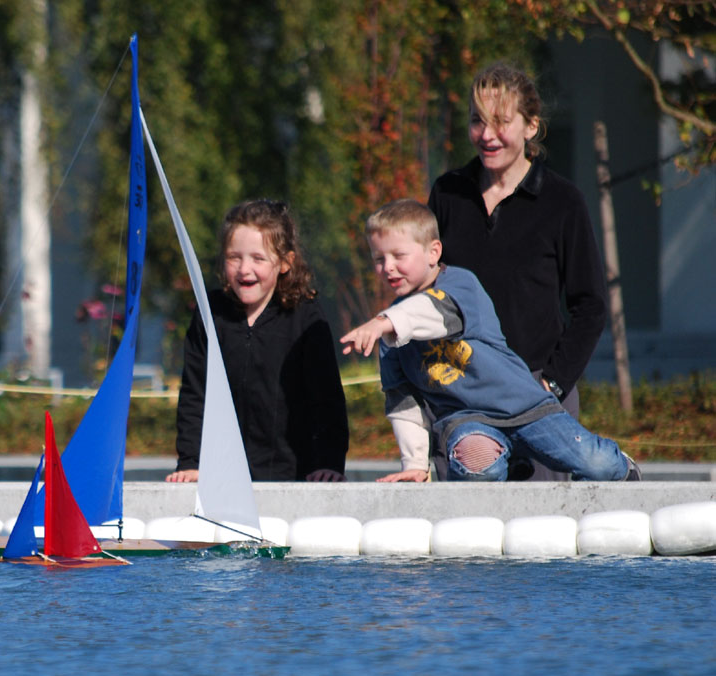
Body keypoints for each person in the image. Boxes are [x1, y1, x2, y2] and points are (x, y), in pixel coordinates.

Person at [340, 199, 637, 483]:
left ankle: (620, 465)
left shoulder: (459, 285)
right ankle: (496, 483)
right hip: (466, 421)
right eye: (379, 259)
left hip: (524, 406)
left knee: (596, 464)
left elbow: (435, 312)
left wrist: (384, 321)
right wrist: (415, 464)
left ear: (433, 253)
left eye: (398, 256)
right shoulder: (391, 331)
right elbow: (403, 403)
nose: (387, 267)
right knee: (476, 467)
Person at [427, 62, 609, 481]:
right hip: (464, 391)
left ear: (531, 126)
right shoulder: (448, 194)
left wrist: (553, 384)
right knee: (472, 532)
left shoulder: (563, 201)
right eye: (477, 121)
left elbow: (590, 306)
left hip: (538, 392)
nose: (487, 135)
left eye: (500, 122)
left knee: (542, 536)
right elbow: (427, 290)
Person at [166, 199, 349, 483]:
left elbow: (326, 399)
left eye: (258, 258)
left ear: (285, 263)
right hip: (222, 479)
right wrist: (191, 461)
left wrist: (328, 463)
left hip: (294, 475)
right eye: (234, 257)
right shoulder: (211, 312)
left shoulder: (305, 317)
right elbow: (194, 394)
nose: (244, 269)